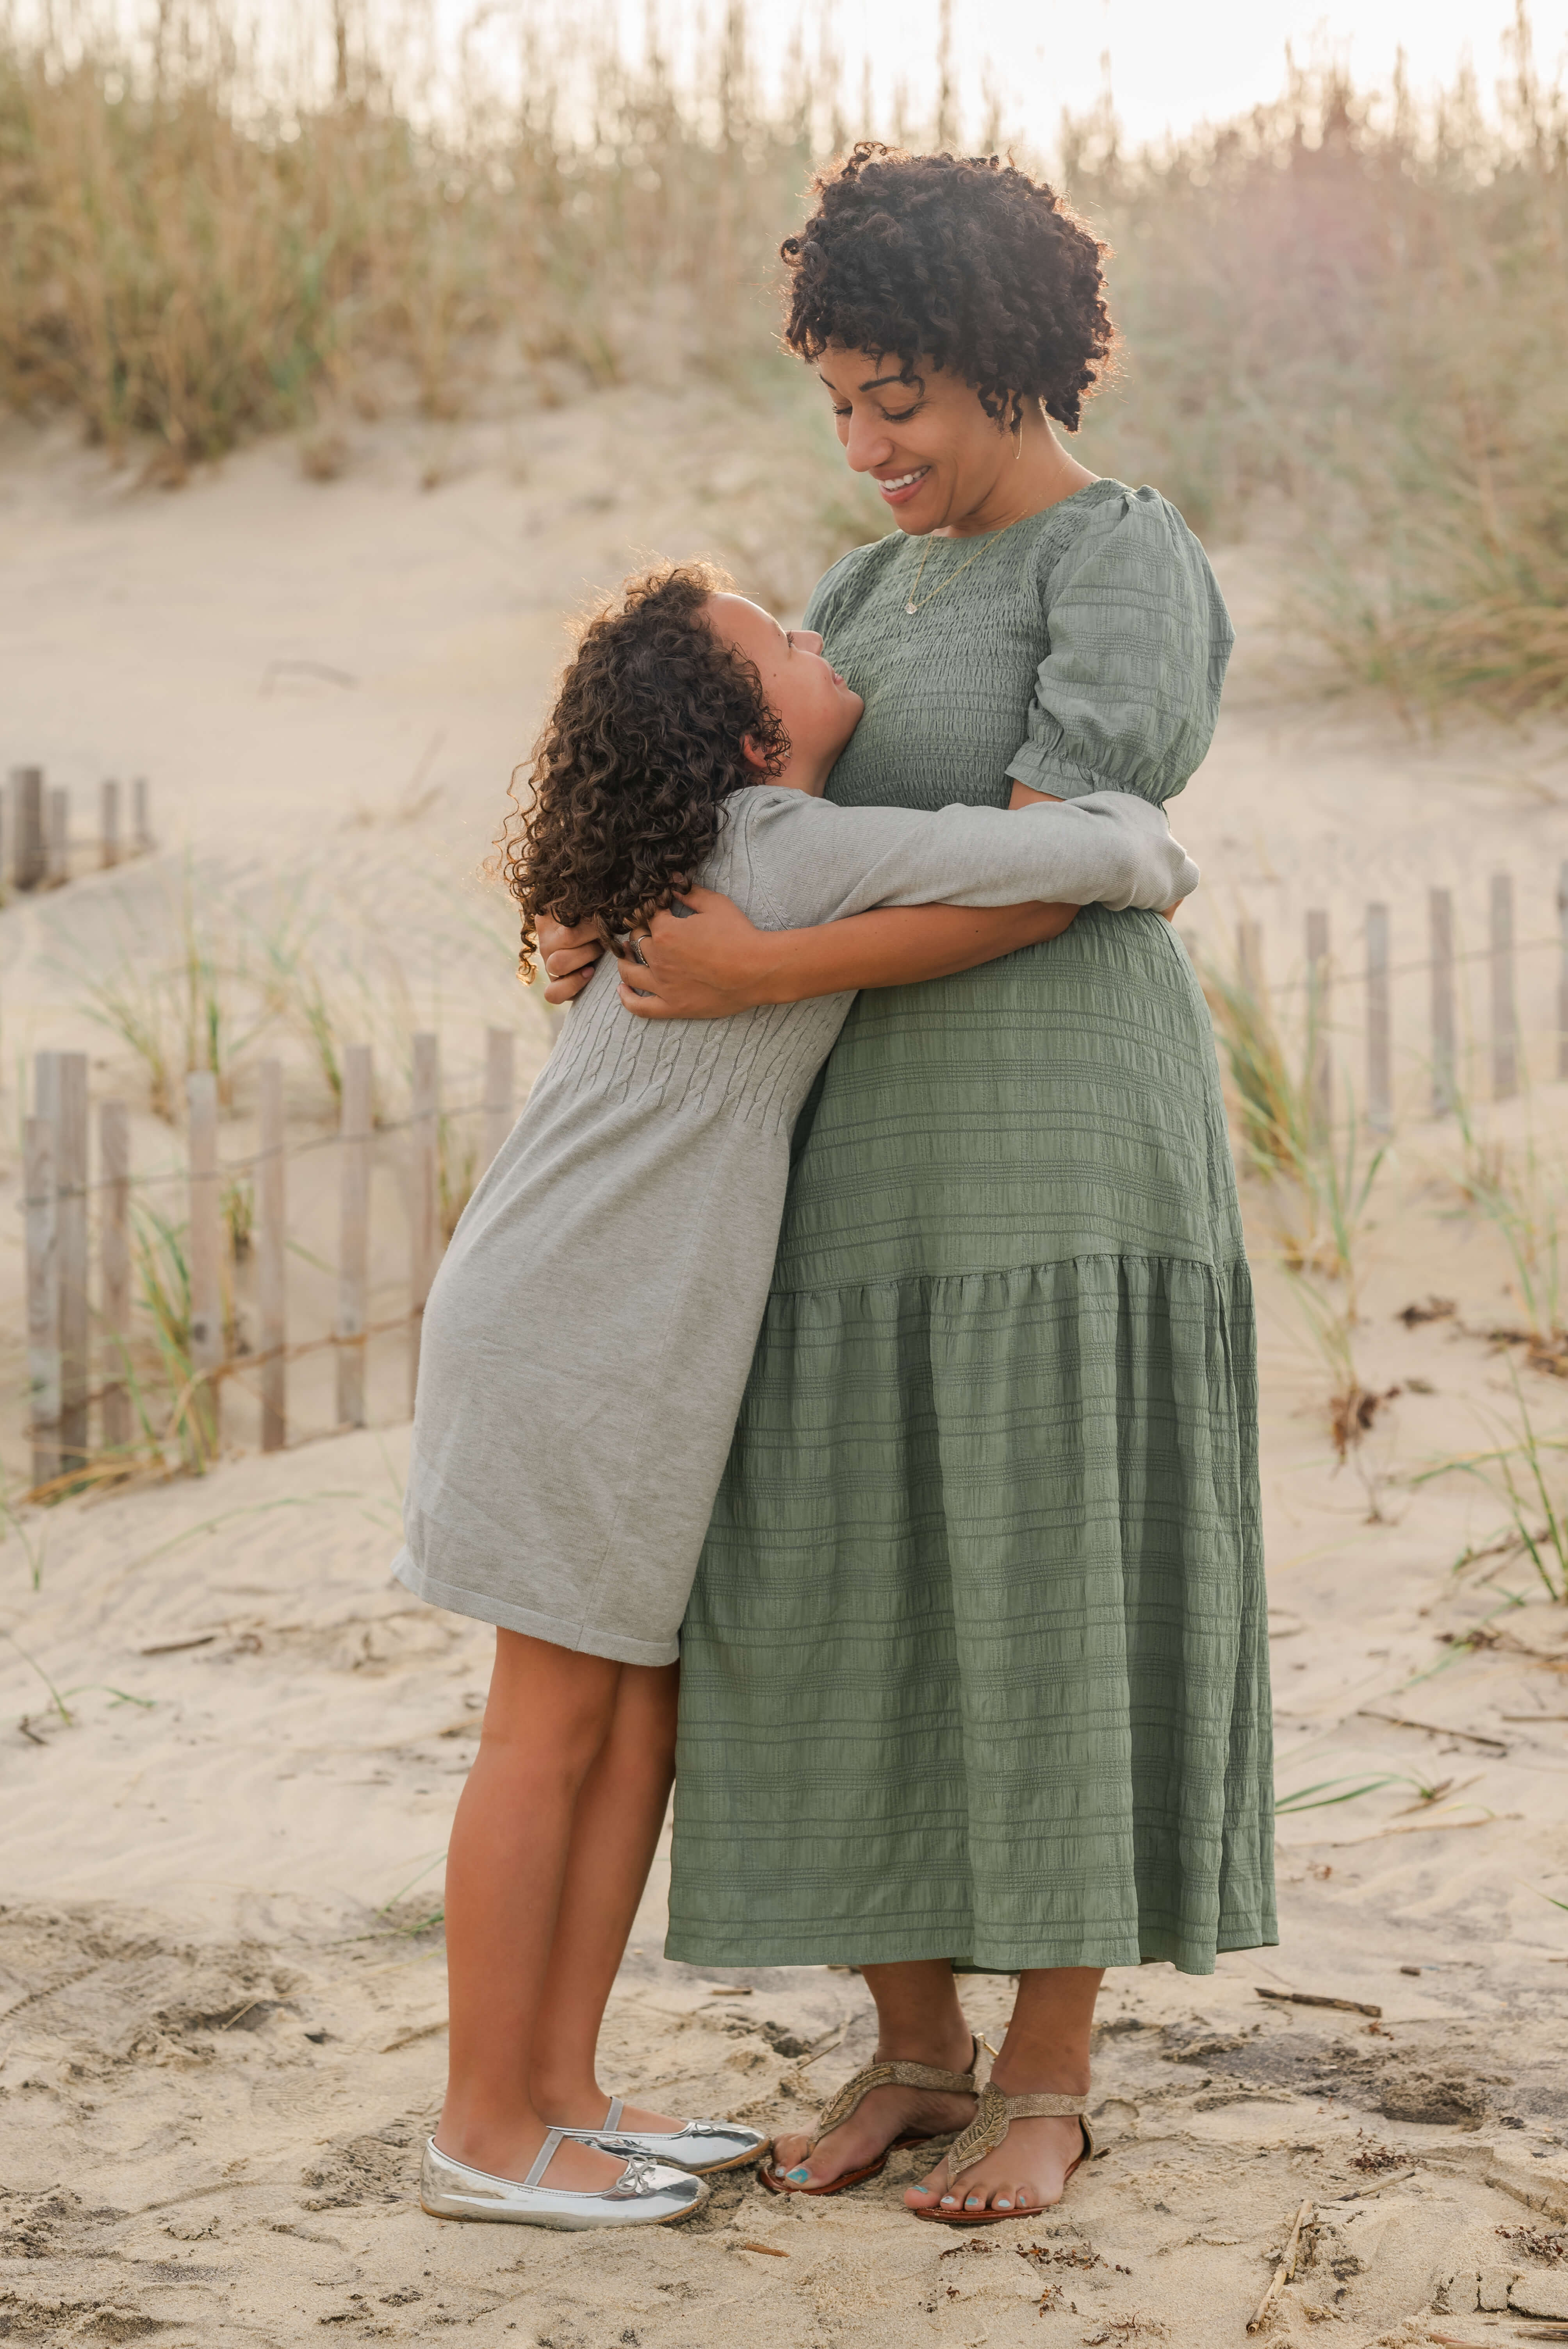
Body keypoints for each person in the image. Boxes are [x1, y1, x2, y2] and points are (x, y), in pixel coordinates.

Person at [535, 146, 1275, 2228]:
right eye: (841, 403)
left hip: (1059, 1140)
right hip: (848, 1167)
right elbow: (751, 823)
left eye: (900, 401)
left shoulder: (1118, 562)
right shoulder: (862, 598)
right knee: (832, 1580)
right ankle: (917, 2044)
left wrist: (766, 972)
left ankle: (1045, 2075)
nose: (866, 447)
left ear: (1012, 365)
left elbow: (1045, 879)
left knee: (1052, 1581)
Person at [395, 558, 1199, 2233]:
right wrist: (1145, 846)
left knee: (632, 1720)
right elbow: (1094, 851)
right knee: (546, 1726)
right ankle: (480, 2122)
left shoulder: (714, 849)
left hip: (624, 1327)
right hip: (572, 1322)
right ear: (747, 730)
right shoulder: (777, 845)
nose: (818, 635)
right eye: (782, 639)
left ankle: (562, 2094)